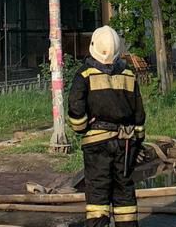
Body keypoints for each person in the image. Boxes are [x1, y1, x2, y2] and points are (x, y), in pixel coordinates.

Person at [67, 26, 145, 227]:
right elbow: (139, 113)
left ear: (93, 46)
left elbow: (76, 108)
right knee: (124, 192)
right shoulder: (129, 74)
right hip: (125, 143)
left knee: (98, 192)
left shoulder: (84, 75)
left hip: (96, 144)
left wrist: (82, 128)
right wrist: (137, 143)